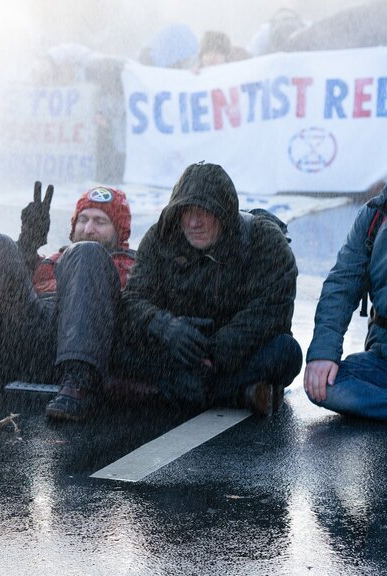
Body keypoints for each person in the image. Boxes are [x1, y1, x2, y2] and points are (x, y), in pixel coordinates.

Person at [0, 183, 135, 421]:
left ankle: (79, 385)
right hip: (29, 343)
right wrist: (28, 241)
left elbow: (139, 313)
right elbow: (10, 285)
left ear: (120, 230)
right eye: (83, 219)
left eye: (100, 221)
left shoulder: (133, 268)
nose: (88, 228)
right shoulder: (51, 260)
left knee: (87, 251)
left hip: (79, 350)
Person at [121, 162, 301, 415]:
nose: (194, 222)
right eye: (186, 212)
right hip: (177, 350)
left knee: (286, 352)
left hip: (235, 354)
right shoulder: (160, 238)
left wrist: (215, 353)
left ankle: (190, 393)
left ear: (223, 214)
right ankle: (235, 393)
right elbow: (132, 299)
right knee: (118, 342)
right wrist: (166, 327)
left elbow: (271, 311)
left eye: (203, 212)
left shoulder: (264, 239)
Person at [304, 124, 387, 425]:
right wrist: (323, 353)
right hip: (382, 356)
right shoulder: (373, 217)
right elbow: (341, 286)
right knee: (323, 388)